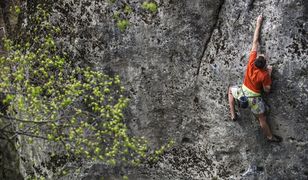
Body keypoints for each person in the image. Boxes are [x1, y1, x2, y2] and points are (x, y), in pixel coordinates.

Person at [228, 15, 282, 142]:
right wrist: (269, 73)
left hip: (242, 91)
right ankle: (270, 137)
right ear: (264, 66)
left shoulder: (251, 62)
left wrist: (258, 23)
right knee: (262, 119)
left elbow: (255, 41)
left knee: (230, 90)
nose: (261, 55)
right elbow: (267, 90)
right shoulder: (264, 75)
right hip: (254, 99)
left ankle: (233, 114)